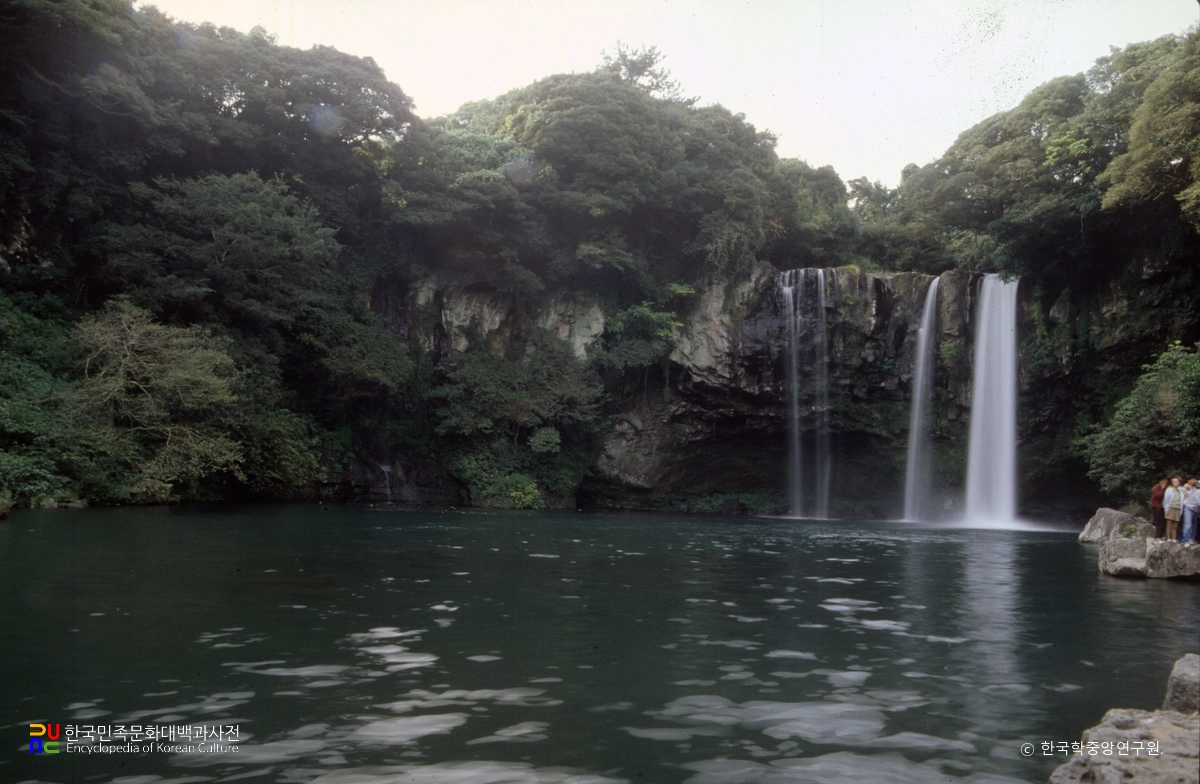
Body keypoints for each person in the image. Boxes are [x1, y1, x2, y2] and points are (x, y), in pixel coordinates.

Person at [1162, 475, 1184, 542]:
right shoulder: (1169, 490)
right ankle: (1169, 538)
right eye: (1173, 481)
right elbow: (1166, 500)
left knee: (1175, 525)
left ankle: (1174, 538)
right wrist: (1166, 509)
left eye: (1176, 481)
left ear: (1179, 483)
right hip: (1171, 508)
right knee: (1169, 524)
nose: (1175, 483)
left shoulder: (1180, 491)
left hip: (1178, 508)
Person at [1182, 477, 1200, 543]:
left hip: (1196, 510)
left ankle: (1192, 538)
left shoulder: (1195, 488)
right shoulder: (1198, 492)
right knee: (1188, 524)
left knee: (1194, 525)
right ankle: (1185, 540)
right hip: (1189, 507)